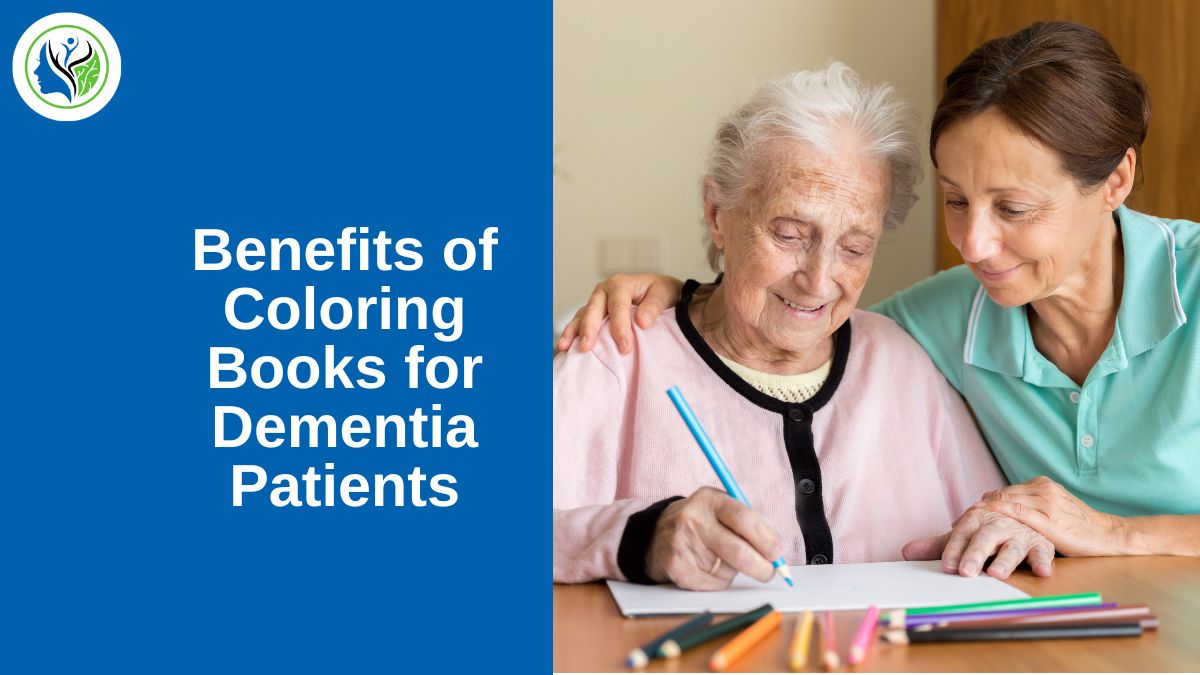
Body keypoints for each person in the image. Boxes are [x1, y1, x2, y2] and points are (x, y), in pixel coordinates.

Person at [559, 22, 1200, 574]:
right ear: (716, 210)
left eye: (1014, 207)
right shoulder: (936, 323)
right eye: (956, 202)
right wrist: (683, 295)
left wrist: (1105, 533)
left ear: (1117, 179)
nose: (972, 245)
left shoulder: (907, 350)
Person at [553, 63, 1050, 592]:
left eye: (855, 248)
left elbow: (995, 520)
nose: (818, 282)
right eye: (790, 234)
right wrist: (640, 539)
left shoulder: (901, 361)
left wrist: (1008, 530)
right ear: (717, 212)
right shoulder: (616, 352)